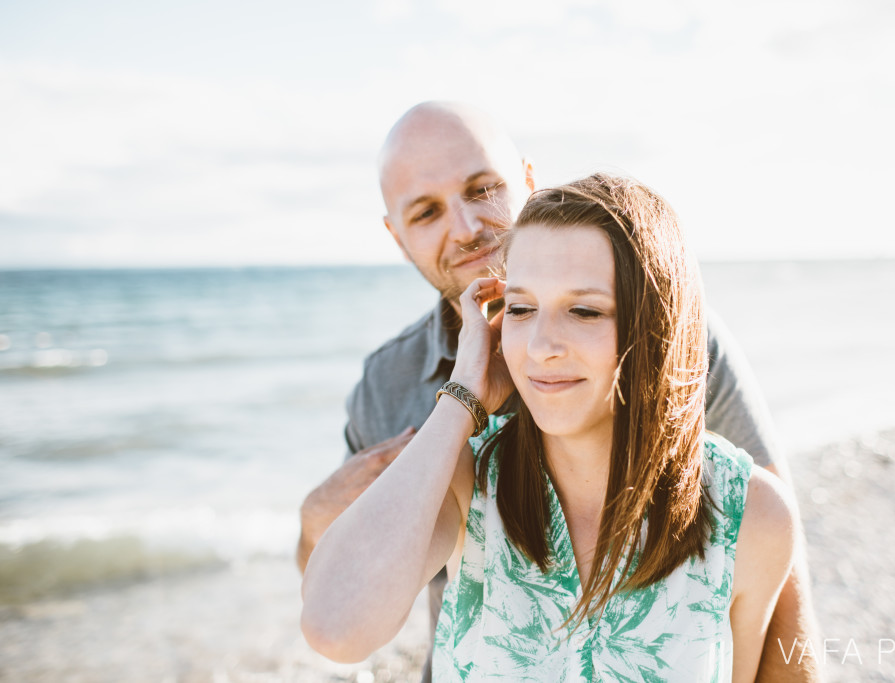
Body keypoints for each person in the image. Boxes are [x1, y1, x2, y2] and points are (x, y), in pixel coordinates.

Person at [297, 101, 820, 681]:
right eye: (520, 307)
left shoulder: (695, 369)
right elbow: (336, 615)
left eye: (481, 189)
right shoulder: (416, 417)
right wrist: (462, 399)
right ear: (397, 237)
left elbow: (779, 590)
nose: (467, 228)